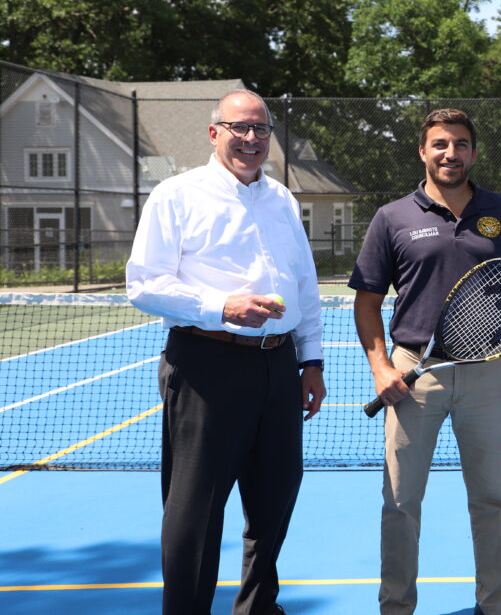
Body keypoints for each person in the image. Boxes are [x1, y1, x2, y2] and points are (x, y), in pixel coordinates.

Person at [126, 89, 326, 615]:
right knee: (195, 512)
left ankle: (259, 608)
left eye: (260, 129)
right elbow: (143, 284)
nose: (252, 139)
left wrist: (311, 361)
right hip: (206, 368)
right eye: (239, 128)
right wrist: (221, 307)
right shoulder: (176, 195)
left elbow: (304, 285)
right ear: (215, 133)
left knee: (276, 497)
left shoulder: (282, 199)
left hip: (278, 368)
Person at [350, 107, 501, 615]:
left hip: (488, 372)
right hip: (411, 374)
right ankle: (396, 607)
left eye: (460, 144)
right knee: (399, 503)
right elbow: (367, 302)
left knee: (491, 500)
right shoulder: (392, 217)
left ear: (473, 152)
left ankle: (494, 605)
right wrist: (381, 368)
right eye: (440, 144)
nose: (450, 153)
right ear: (423, 151)